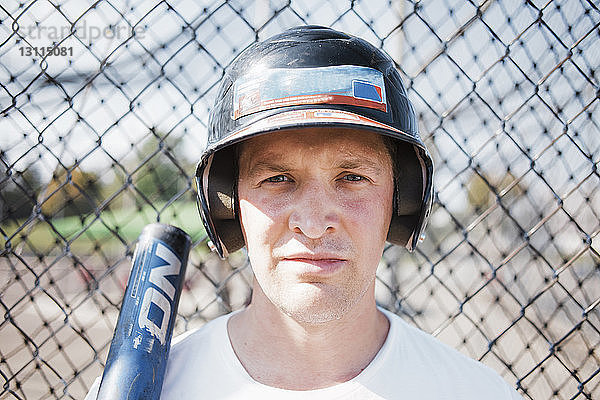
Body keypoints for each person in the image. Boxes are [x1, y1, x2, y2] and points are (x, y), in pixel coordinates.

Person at [86, 26, 522, 399]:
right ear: (229, 203)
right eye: (277, 179)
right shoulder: (152, 388)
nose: (313, 224)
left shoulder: (475, 392)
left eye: (352, 177)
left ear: (401, 200)